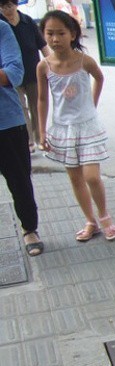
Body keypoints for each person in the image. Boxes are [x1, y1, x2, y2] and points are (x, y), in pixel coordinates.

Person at [37, 9, 115, 242]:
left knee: (92, 176)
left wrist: (92, 103)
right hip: (63, 130)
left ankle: (104, 217)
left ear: (72, 34)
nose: (55, 39)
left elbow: (99, 78)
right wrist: (41, 131)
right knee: (75, 178)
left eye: (60, 33)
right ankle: (90, 221)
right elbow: (42, 100)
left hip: (88, 127)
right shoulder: (44, 67)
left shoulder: (84, 61)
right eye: (49, 33)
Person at [0, 18, 43, 255]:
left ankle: (30, 229)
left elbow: (14, 73)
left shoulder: (2, 29)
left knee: (20, 182)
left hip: (7, 122)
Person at [0, 0, 50, 153]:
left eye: (9, 5)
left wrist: (52, 63)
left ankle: (38, 137)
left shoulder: (27, 21)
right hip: (10, 78)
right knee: (21, 107)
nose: (6, 9)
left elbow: (42, 45)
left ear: (16, 5)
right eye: (2, 6)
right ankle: (28, 140)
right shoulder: (1, 24)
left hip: (33, 72)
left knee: (36, 106)